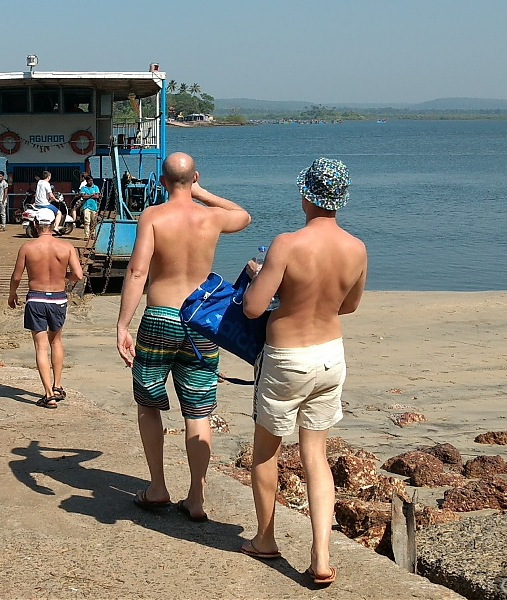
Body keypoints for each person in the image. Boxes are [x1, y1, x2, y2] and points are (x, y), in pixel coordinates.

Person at [241, 157, 367, 586]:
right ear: (340, 199)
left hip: (287, 356)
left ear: (306, 194)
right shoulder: (356, 248)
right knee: (316, 455)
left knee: (266, 451)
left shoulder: (287, 244)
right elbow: (349, 305)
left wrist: (261, 277)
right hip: (330, 354)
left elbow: (254, 307)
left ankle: (265, 538)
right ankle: (321, 554)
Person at [116, 152, 251, 521]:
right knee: (198, 412)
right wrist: (201, 193)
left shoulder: (153, 217)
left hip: (160, 317)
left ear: (161, 182)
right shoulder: (211, 217)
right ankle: (196, 496)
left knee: (148, 404)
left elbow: (137, 271)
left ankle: (158, 486)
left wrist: (123, 324)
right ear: (194, 178)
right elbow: (244, 215)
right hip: (200, 322)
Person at [8, 208, 83, 409]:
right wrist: (64, 278)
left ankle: (49, 395)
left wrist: (12, 294)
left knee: (41, 347)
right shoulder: (66, 246)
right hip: (58, 299)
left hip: (36, 298)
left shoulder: (27, 247)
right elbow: (78, 274)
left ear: (35, 225)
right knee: (56, 341)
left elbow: (16, 276)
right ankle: (57, 385)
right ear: (54, 225)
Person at [79, 175, 100, 241]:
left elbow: (97, 196)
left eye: (91, 180)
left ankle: (93, 234)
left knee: (94, 221)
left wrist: (88, 196)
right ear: (87, 181)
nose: (91, 182)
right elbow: (83, 197)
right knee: (87, 221)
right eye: (89, 181)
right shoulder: (83, 188)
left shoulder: (95, 187)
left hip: (94, 207)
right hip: (86, 206)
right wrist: (91, 195)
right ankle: (87, 235)